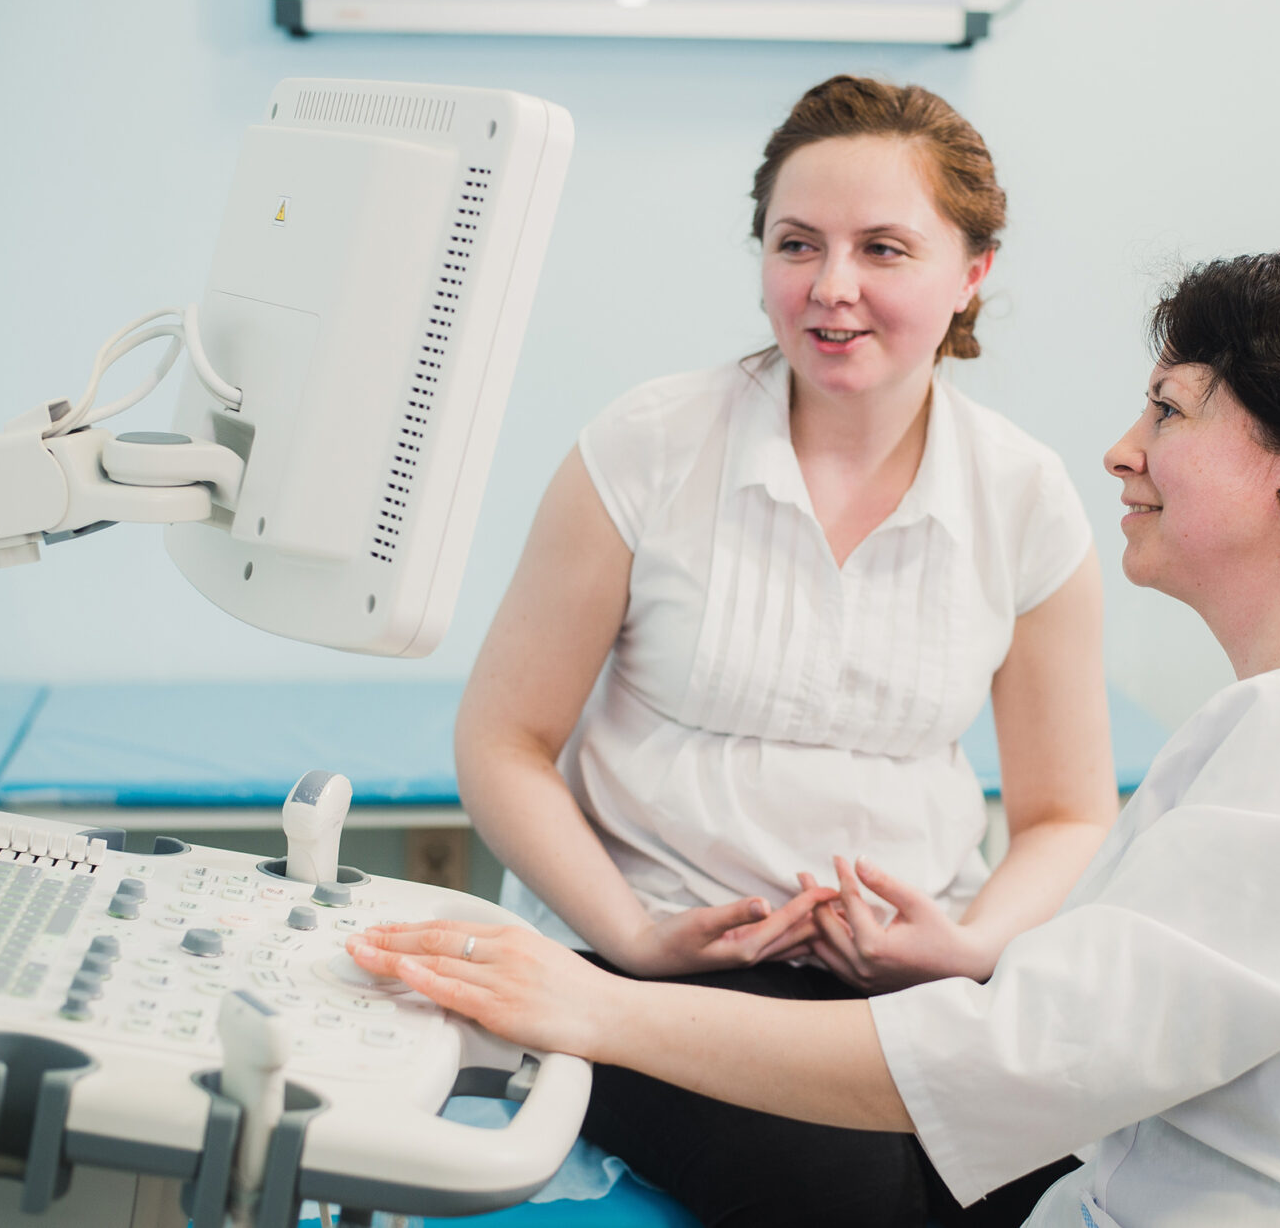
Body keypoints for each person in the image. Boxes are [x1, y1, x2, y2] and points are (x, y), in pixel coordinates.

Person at [355, 248, 1280, 1228]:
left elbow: (1029, 1053)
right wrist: (966, 956)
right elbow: (1125, 989)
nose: (1123, 450)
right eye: (797, 244)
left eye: (1169, 409)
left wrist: (594, 1009)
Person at [448, 74, 1119, 1226]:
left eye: (884, 249)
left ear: (973, 275)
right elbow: (502, 741)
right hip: (650, 973)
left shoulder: (1025, 497)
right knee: (845, 1191)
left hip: (906, 984)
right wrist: (635, 940)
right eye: (797, 244)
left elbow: (1069, 813)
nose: (833, 288)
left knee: (1072, 1182)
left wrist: (964, 949)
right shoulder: (647, 448)